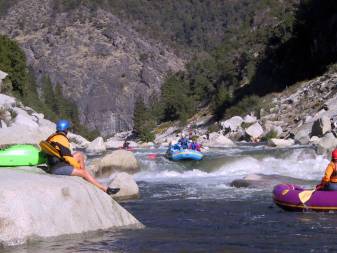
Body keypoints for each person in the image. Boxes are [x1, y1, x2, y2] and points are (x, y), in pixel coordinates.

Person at [45, 119, 120, 195]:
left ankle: (85, 177)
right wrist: (78, 168)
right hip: (58, 168)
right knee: (83, 172)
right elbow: (67, 157)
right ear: (66, 129)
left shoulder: (52, 137)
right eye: (68, 129)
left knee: (79, 154)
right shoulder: (62, 139)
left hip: (56, 164)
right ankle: (105, 189)